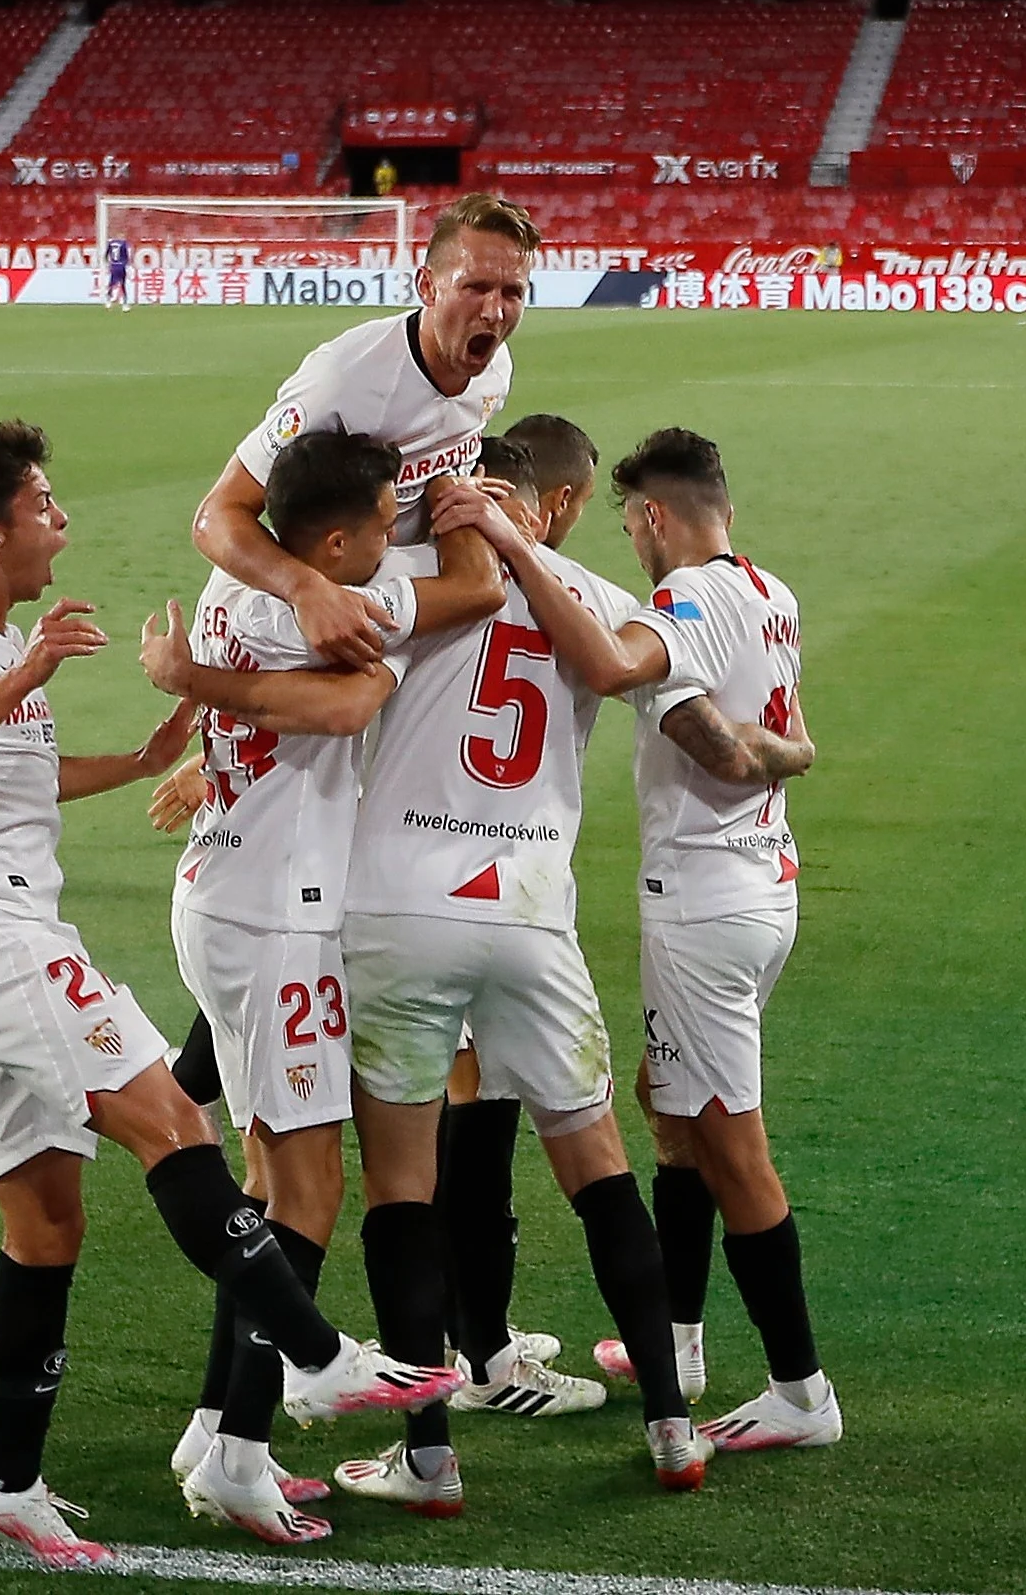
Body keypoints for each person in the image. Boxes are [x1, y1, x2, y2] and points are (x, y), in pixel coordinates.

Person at [0, 419, 455, 1567]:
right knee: (175, 1125)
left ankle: (4, 1479)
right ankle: (314, 1356)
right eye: (43, 506)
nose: (61, 521)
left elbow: (16, 779)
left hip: (2, 931)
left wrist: (137, 763)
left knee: (44, 1228)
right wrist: (32, 671)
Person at [328, 415, 719, 1507]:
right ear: (550, 501)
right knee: (596, 1169)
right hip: (529, 906)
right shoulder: (595, 597)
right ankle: (672, 1427)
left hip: (397, 905)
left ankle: (426, 1457)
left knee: (402, 1184)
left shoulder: (405, 578)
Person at [133, 431, 505, 1540]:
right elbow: (376, 680)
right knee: (307, 1191)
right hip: (275, 919)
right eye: (386, 519)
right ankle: (242, 1452)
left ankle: (212, 1426)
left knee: (265, 1180)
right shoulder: (340, 602)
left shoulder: (229, 578)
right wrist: (462, 504)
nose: (395, 535)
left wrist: (190, 683)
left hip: (226, 892)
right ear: (334, 539)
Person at [568, 426, 837, 1455]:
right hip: (765, 885)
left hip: (704, 906)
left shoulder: (679, 605)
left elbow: (721, 753)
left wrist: (762, 752)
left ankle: (800, 1390)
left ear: (654, 517)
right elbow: (787, 741)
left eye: (631, 521)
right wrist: (793, 753)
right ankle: (671, 1341)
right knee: (667, 1101)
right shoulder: (774, 593)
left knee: (733, 1148)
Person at [191, 191, 535, 668]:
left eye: (513, 292)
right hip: (291, 615)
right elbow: (217, 516)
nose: (494, 313)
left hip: (395, 593)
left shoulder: (494, 371)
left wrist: (477, 495)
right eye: (474, 287)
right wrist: (304, 589)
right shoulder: (343, 381)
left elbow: (446, 462)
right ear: (428, 287)